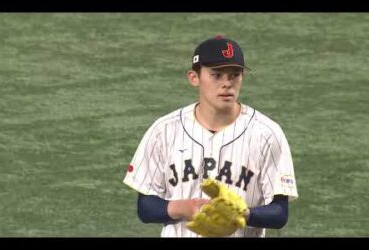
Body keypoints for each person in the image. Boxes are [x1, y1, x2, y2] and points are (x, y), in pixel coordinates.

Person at [123, 36, 298, 237]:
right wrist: (186, 208)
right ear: (194, 77)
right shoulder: (163, 130)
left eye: (234, 75)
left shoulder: (267, 134)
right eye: (217, 75)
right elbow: (145, 208)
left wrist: (243, 213)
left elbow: (280, 213)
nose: (227, 84)